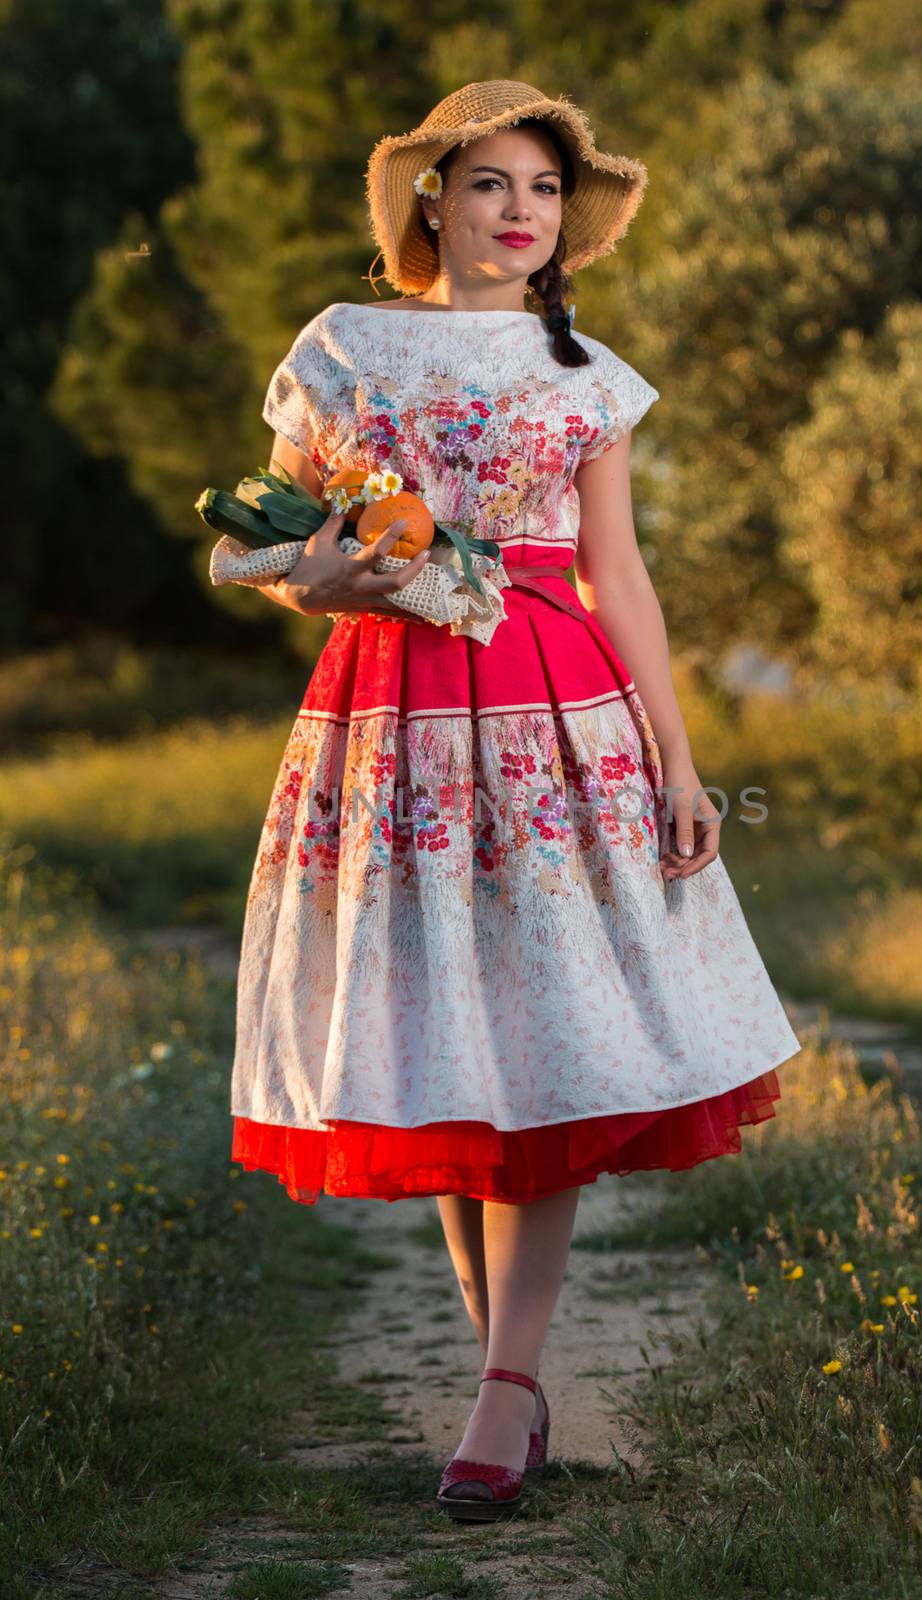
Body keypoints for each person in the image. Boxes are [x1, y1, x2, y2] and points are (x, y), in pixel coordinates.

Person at [229, 80, 803, 1521]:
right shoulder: (343, 350)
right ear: (434, 197)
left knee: (545, 1023)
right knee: (449, 1025)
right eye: (491, 185)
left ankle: (504, 1383)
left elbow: (621, 576)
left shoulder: (590, 376)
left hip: (559, 707)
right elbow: (256, 541)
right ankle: (512, 1377)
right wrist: (325, 576)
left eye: (542, 192)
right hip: (390, 712)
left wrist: (681, 761)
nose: (520, 213)